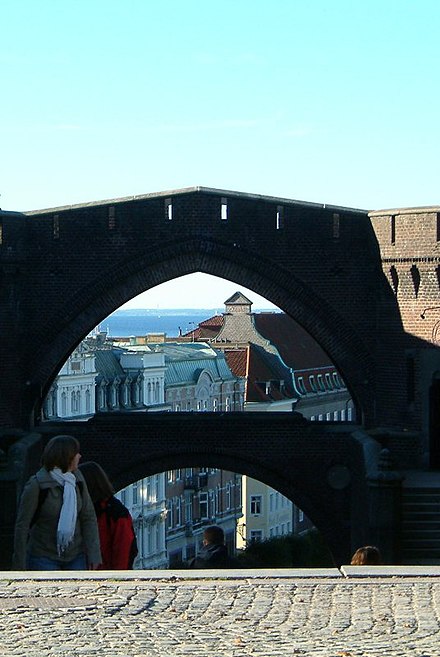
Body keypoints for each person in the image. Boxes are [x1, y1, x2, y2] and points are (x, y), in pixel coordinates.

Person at [12, 435, 101, 570]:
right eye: (76, 453)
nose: (80, 456)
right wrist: (19, 564)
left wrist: (94, 555)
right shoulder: (37, 484)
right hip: (43, 555)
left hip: (76, 555)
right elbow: (22, 525)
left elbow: (88, 517)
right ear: (66, 457)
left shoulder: (77, 480)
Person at [79, 461, 138, 570]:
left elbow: (123, 549)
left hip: (104, 573)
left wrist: (117, 578)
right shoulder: (108, 510)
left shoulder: (115, 512)